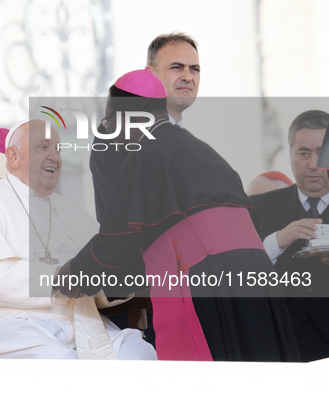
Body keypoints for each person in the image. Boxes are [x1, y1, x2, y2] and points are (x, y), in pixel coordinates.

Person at [55, 69, 299, 362]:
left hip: (206, 274)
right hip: (253, 271)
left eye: (109, 122)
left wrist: (71, 275)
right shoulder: (202, 148)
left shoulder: (144, 154)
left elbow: (116, 241)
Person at [0, 119, 156, 360]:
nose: (55, 157)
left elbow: (95, 276)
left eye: (58, 150)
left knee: (139, 353)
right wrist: (55, 278)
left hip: (82, 322)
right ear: (14, 157)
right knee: (56, 360)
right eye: (43, 147)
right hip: (11, 324)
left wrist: (116, 284)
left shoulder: (72, 210)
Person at [91, 32, 200, 221]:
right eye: (177, 67)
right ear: (150, 74)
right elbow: (128, 213)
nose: (187, 77)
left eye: (194, 69)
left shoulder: (193, 145)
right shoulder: (117, 132)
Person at [250, 110, 329, 361]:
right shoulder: (256, 209)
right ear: (291, 153)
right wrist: (275, 243)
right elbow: (237, 277)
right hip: (276, 344)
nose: (314, 164)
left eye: (322, 152)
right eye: (304, 153)